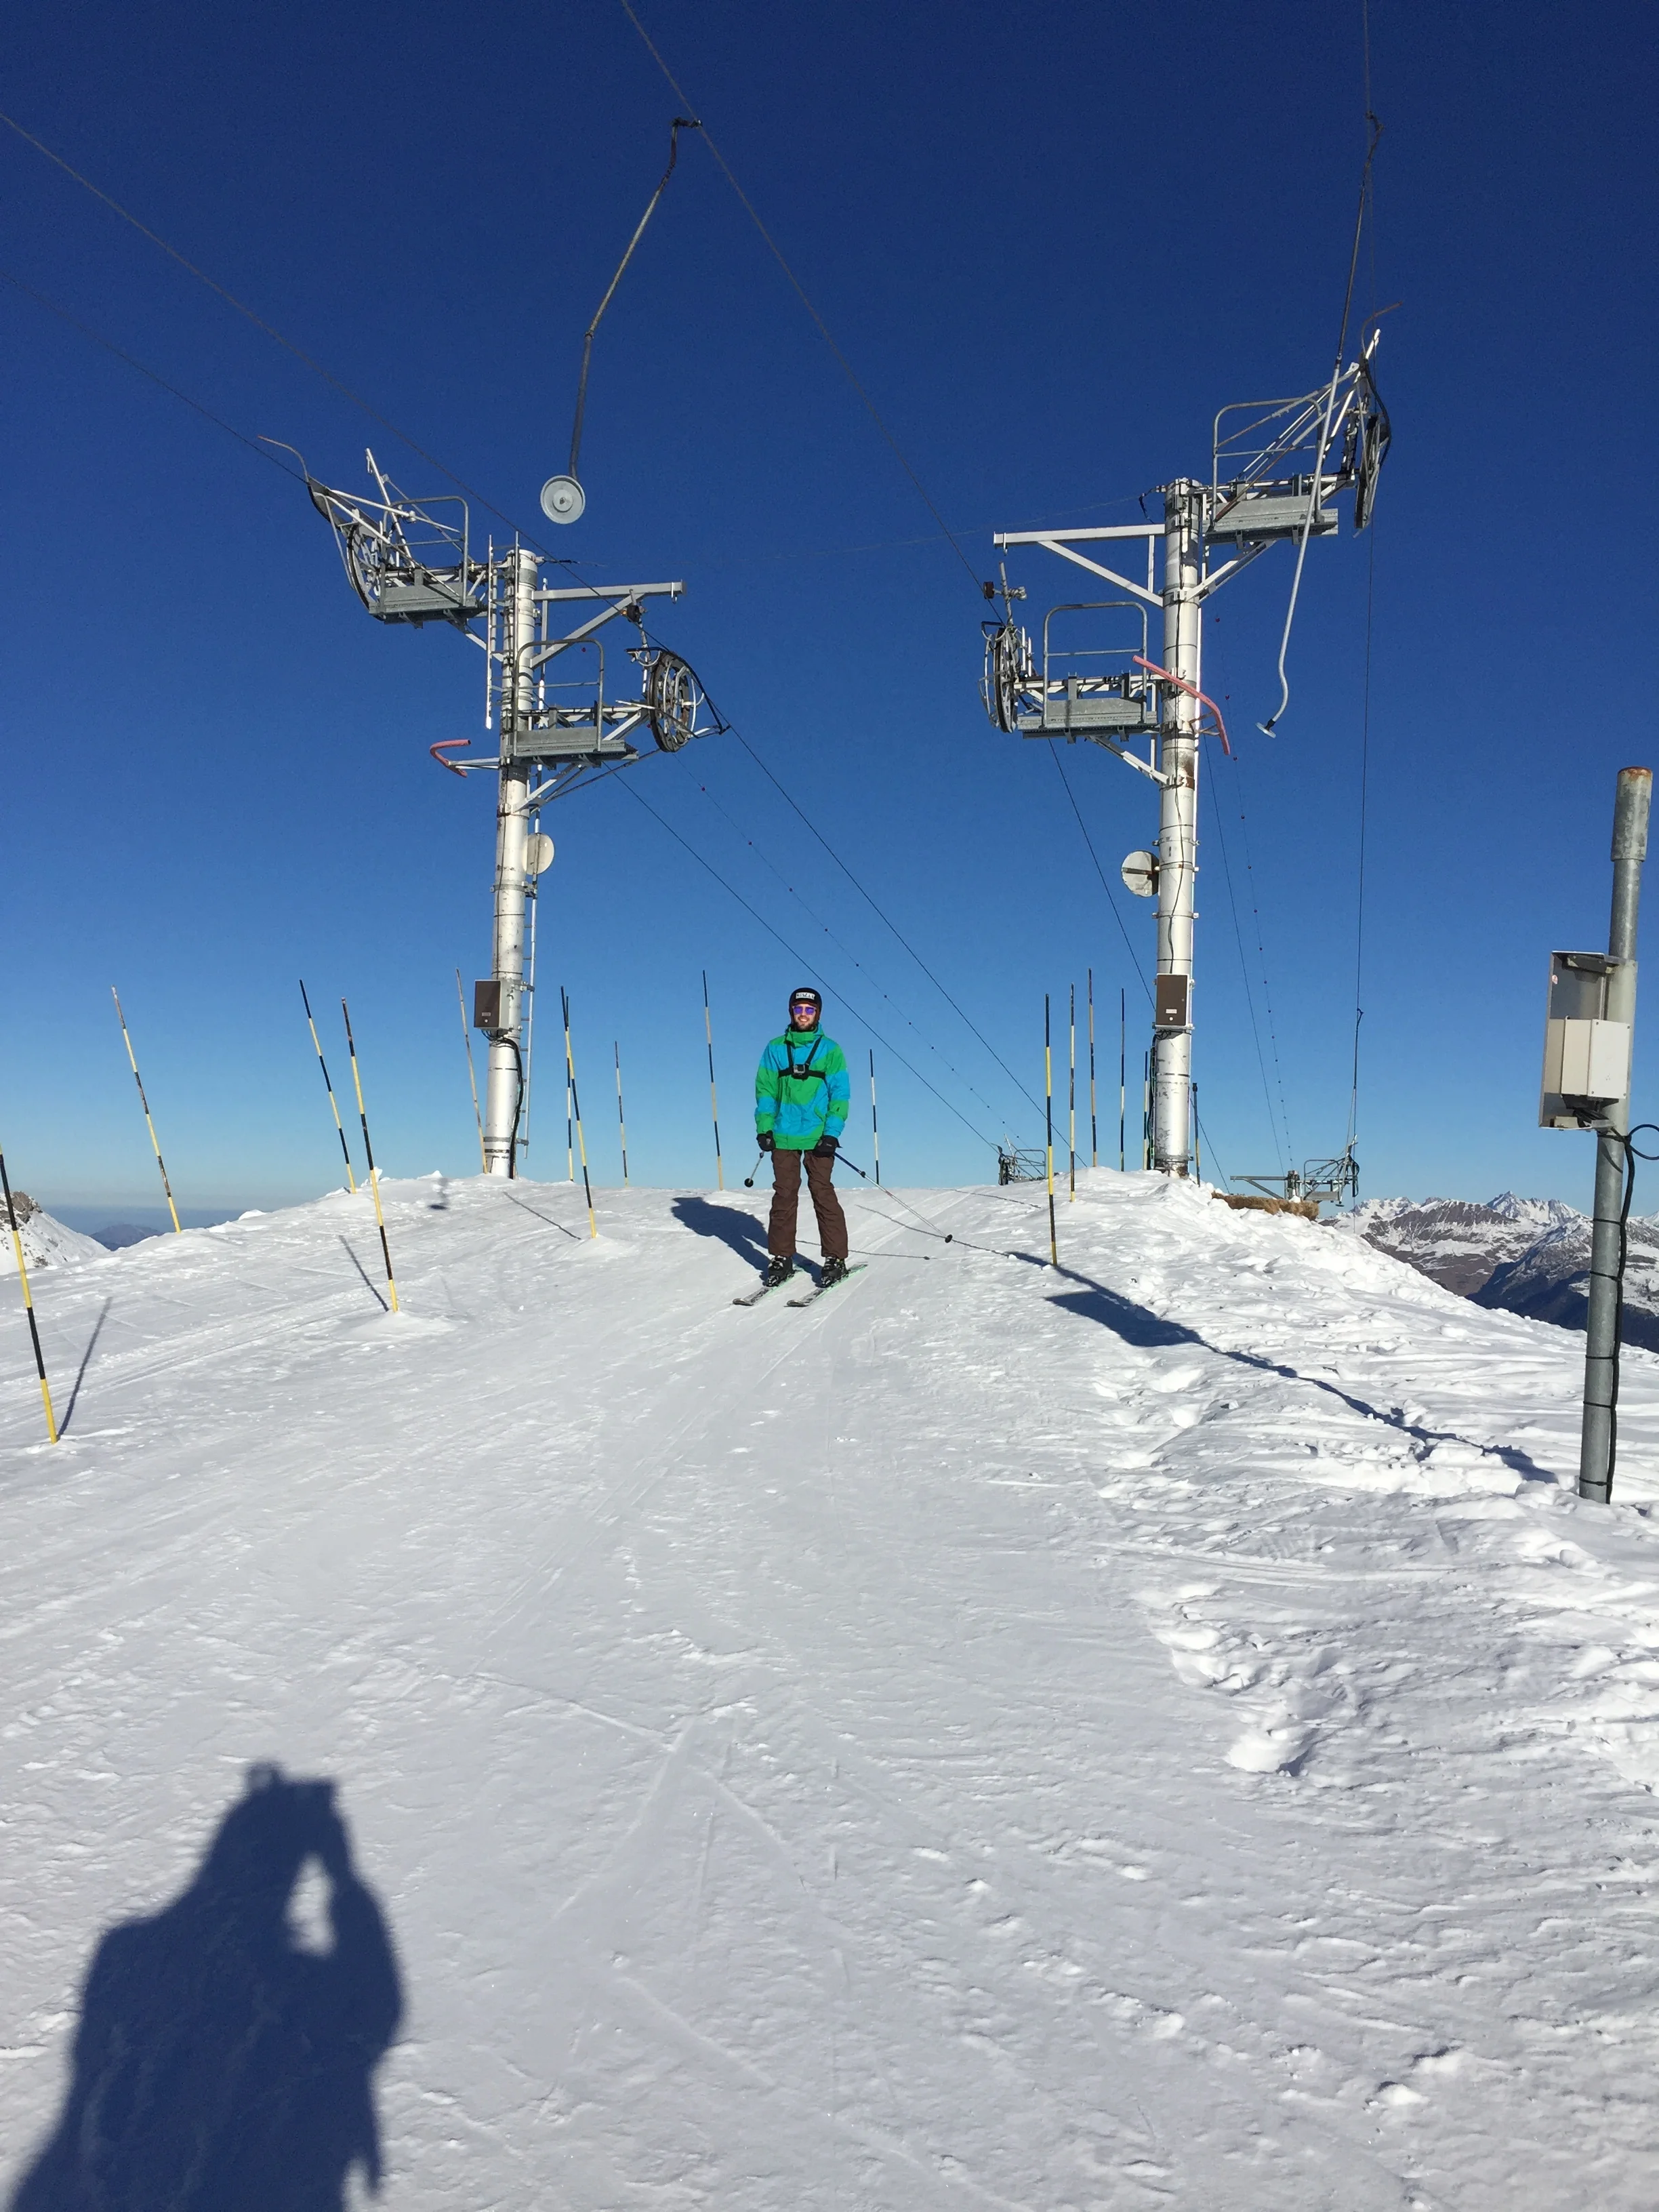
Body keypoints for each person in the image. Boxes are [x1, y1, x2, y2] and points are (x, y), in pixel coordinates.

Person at [754, 986, 850, 1288]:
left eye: (810, 1010)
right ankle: (782, 1256)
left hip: (819, 1136)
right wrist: (764, 1128)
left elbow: (840, 1095)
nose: (804, 1015)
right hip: (783, 1135)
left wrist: (832, 1133)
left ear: (818, 1013)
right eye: (799, 1009)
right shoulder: (775, 1048)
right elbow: (766, 1092)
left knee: (822, 1191)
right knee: (784, 1195)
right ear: (791, 1013)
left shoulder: (830, 1050)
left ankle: (835, 1256)